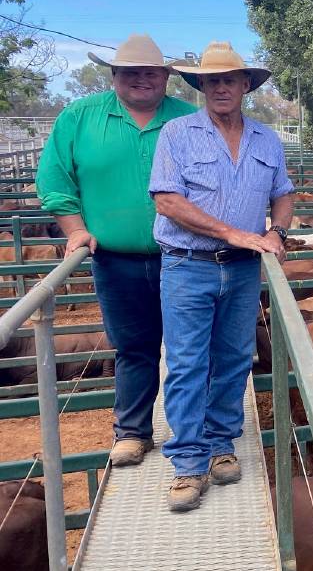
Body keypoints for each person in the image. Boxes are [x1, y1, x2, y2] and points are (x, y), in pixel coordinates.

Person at [35, 34, 196, 468]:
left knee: (190, 347)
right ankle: (132, 432)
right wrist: (75, 229)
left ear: (165, 77)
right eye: (130, 72)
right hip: (115, 258)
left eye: (149, 72)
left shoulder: (189, 119)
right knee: (133, 346)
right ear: (114, 76)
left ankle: (195, 435)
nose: (140, 79)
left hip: (185, 255)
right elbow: (54, 180)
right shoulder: (79, 118)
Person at [148, 41, 294, 512]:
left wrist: (280, 235)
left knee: (233, 359)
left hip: (244, 269)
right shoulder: (177, 134)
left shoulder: (267, 140)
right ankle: (188, 464)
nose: (220, 88)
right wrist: (238, 234)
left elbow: (283, 194)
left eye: (229, 79)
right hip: (188, 264)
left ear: (245, 84)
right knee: (188, 364)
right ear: (200, 87)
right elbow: (167, 201)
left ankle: (220, 444)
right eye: (211, 81)